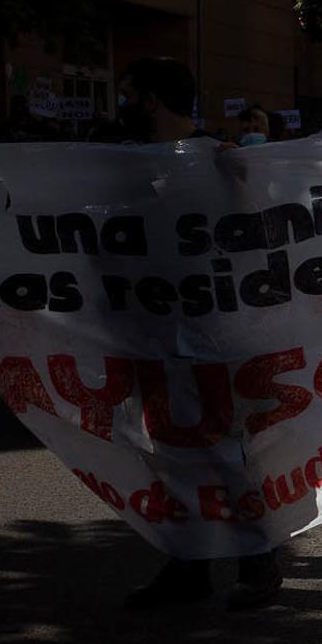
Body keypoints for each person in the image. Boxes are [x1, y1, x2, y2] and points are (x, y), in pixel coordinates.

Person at [115, 58, 281, 610]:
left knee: (223, 445)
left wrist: (245, 183)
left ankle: (257, 559)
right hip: (153, 330)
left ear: (153, 100)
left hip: (209, 331)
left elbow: (255, 231)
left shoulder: (219, 161)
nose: (122, 103)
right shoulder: (124, 162)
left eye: (129, 93)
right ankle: (191, 563)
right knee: (169, 448)